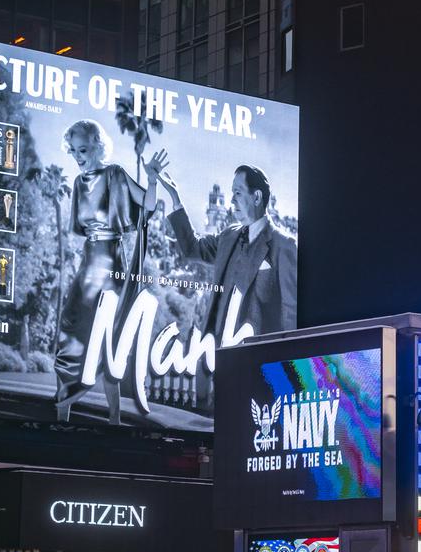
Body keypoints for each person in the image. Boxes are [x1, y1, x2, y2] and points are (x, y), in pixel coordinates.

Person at [155, 163, 297, 411]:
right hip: (213, 363)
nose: (232, 200)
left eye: (238, 193)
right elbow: (192, 248)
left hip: (257, 371)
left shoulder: (284, 246)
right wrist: (175, 198)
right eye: (230, 193)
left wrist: (286, 374)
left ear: (256, 197)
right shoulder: (228, 236)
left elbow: (290, 314)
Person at [54, 120, 168, 425]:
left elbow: (147, 203)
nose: (79, 156)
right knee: (71, 331)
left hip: (112, 262)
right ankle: (61, 412)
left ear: (97, 146)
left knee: (108, 339)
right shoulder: (78, 183)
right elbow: (79, 230)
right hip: (88, 263)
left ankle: (115, 419)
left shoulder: (115, 173)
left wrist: (153, 179)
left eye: (84, 149)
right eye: (74, 150)